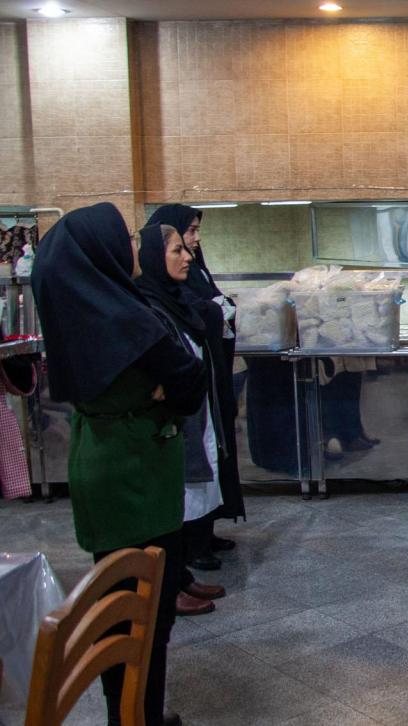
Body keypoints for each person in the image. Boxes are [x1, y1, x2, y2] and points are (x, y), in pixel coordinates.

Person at [32, 202, 207, 726]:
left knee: (117, 602)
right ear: (103, 251)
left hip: (100, 463)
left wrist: (164, 389)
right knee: (146, 607)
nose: (134, 246)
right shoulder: (128, 317)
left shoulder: (77, 313)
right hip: (137, 474)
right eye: (127, 238)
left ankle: (128, 713)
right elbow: (190, 381)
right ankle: (137, 716)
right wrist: (165, 392)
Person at [135, 224, 230, 618]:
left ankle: (179, 574)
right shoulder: (148, 306)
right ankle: (169, 584)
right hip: (168, 424)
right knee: (172, 504)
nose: (188, 256)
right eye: (177, 249)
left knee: (185, 499)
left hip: (192, 411)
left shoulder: (174, 301)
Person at [145, 204, 244, 572]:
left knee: (210, 459)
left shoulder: (181, 286)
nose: (191, 249)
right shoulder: (151, 303)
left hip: (204, 390)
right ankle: (188, 549)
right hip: (182, 408)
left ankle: (203, 533)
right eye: (185, 238)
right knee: (193, 471)